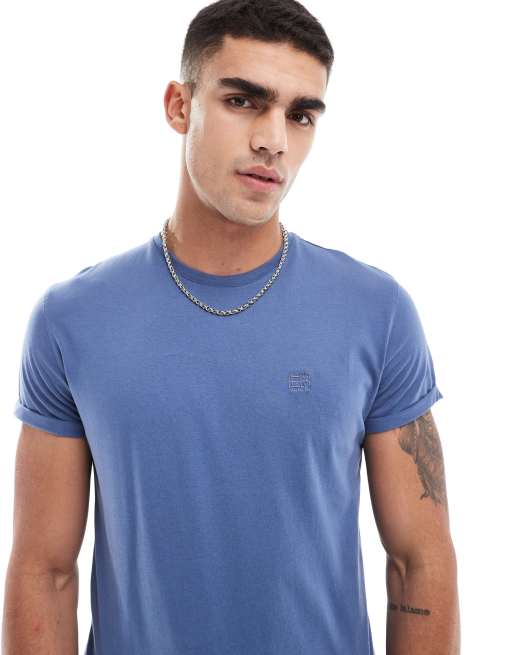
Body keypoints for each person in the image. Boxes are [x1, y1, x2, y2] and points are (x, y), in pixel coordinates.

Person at [2, 1, 460, 654]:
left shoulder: (376, 311)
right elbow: (43, 572)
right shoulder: (71, 319)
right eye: (243, 101)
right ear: (179, 106)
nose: (274, 140)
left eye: (300, 114)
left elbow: (419, 562)